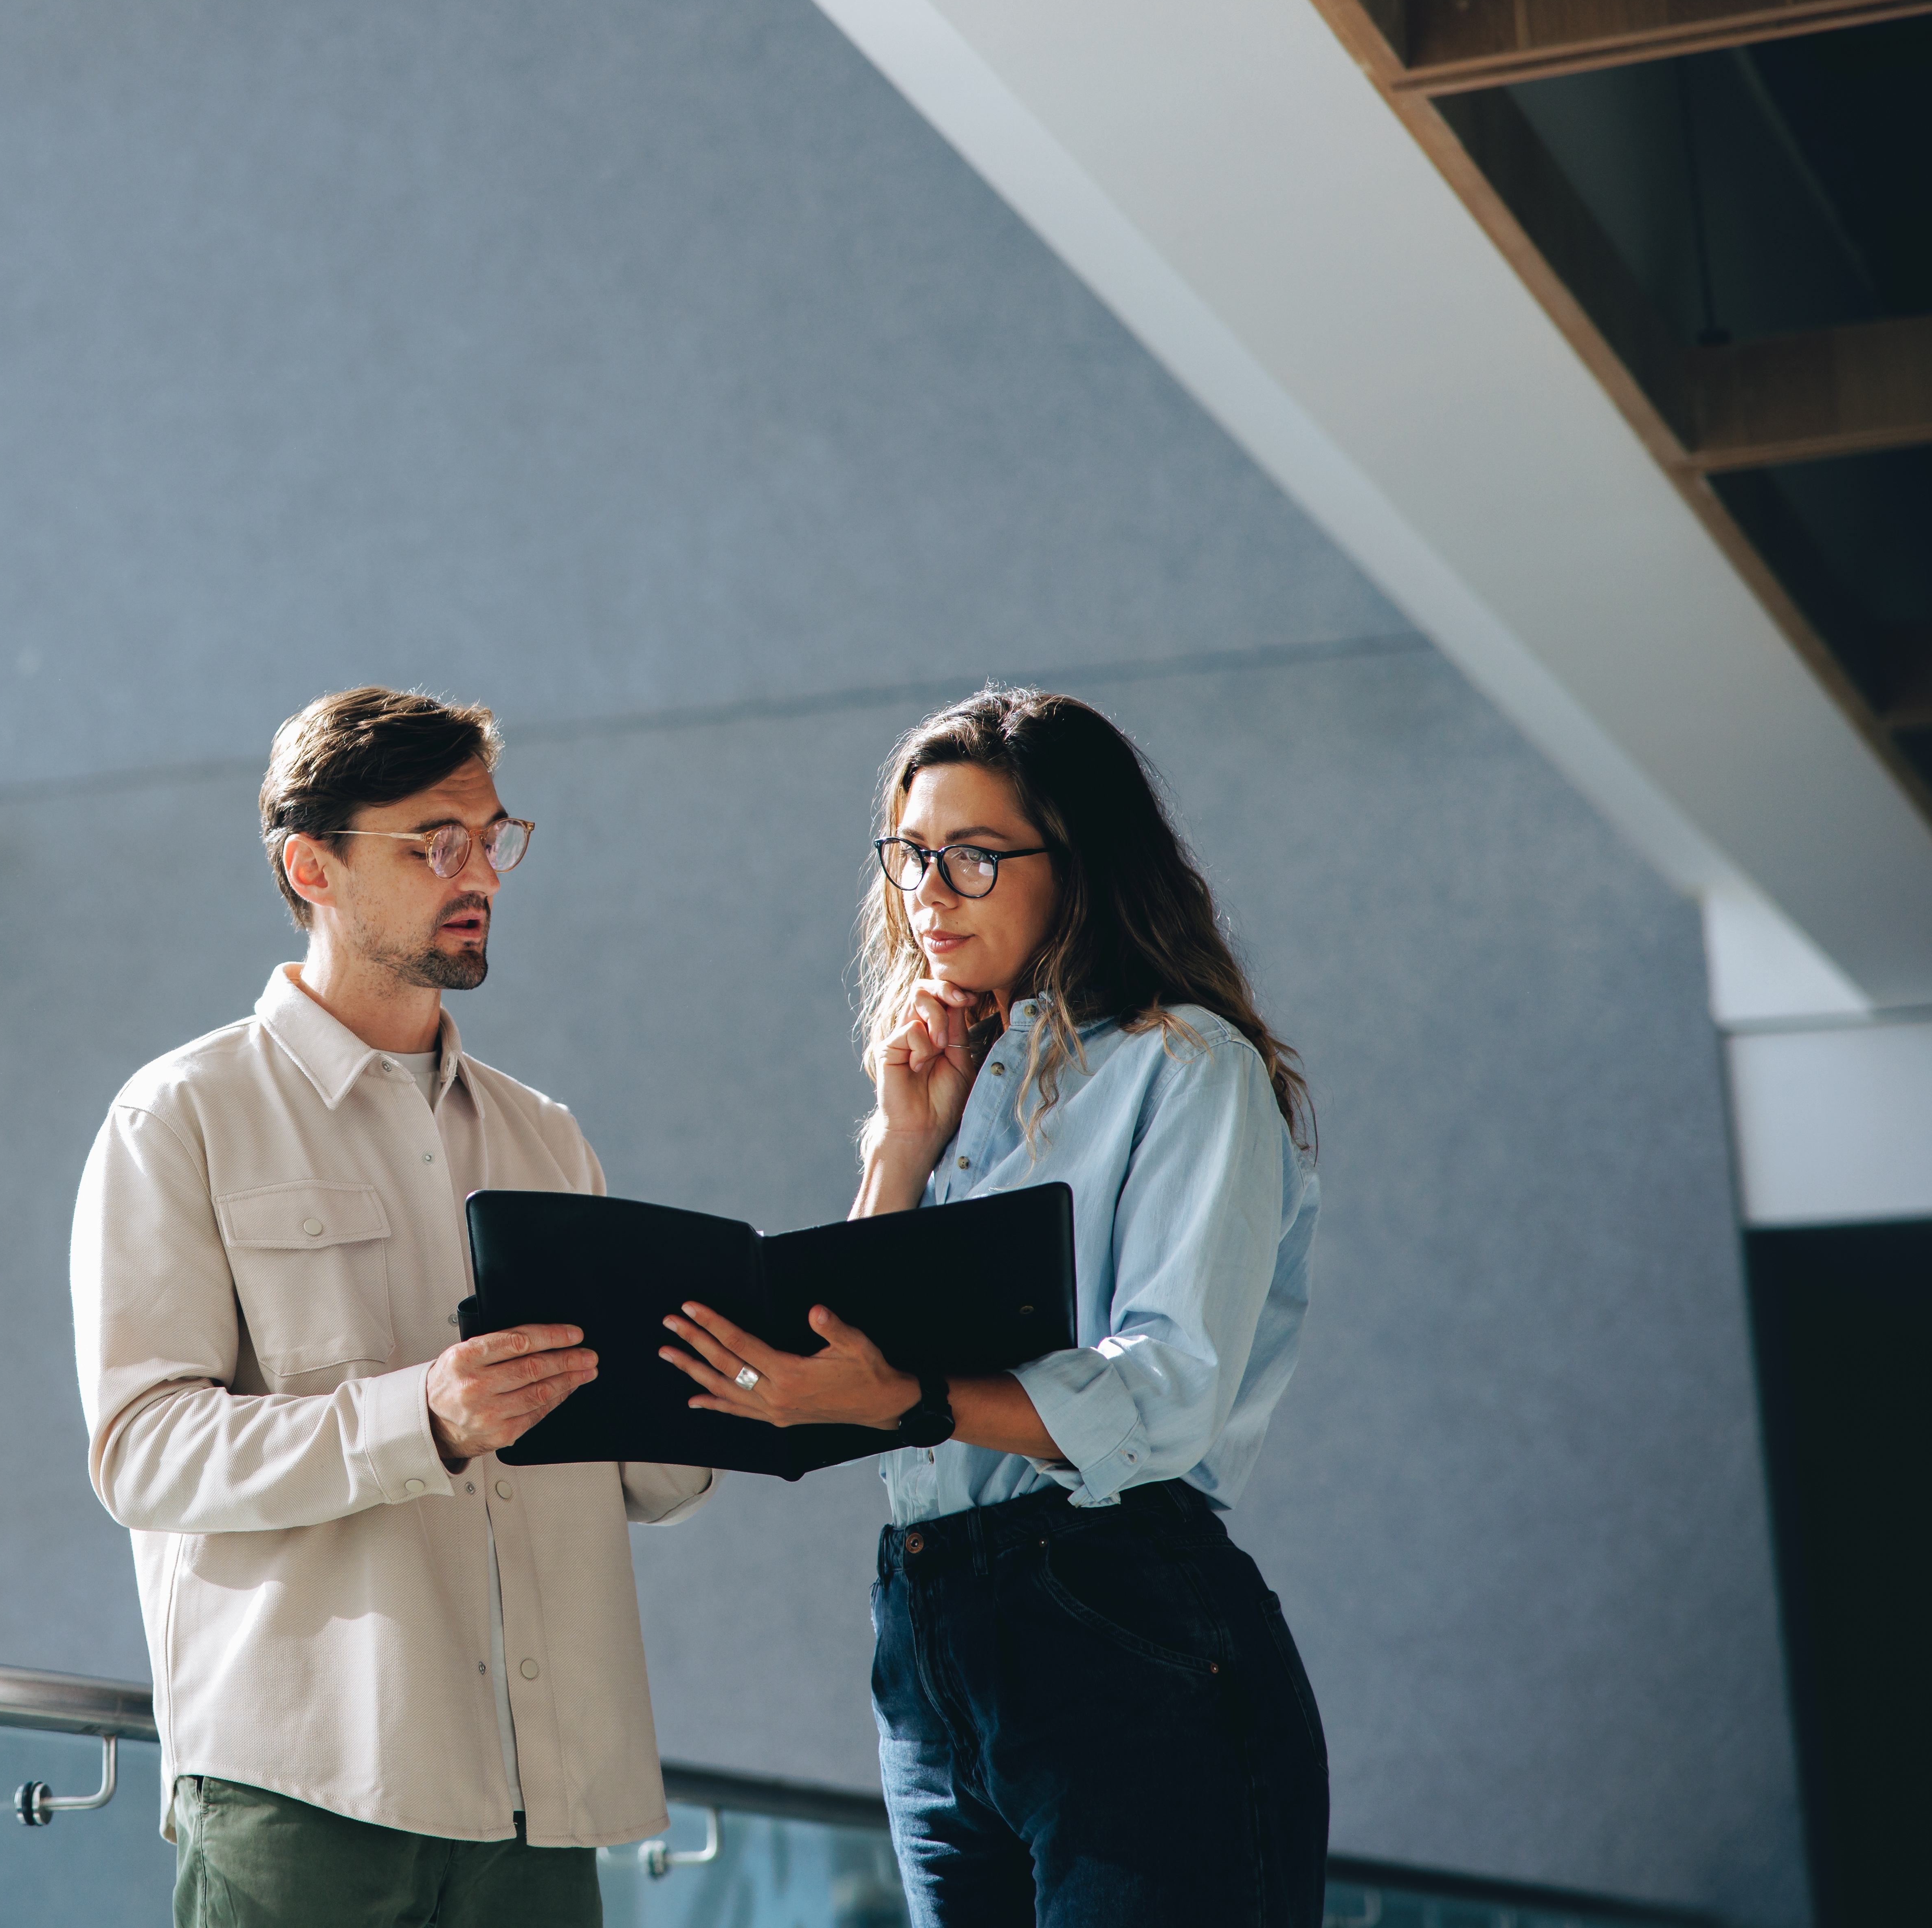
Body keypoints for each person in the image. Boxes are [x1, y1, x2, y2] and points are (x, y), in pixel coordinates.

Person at [656, 687, 1328, 1927]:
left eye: (972, 857)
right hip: (930, 1632)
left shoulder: (1187, 1067)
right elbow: (850, 1362)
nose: (929, 894)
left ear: (1081, 867)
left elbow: (1169, 1392)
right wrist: (902, 1145)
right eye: (911, 857)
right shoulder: (961, 1085)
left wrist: (913, 1404)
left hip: (1119, 1613)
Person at [73, 686, 713, 1928]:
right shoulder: (181, 1116)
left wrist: (724, 1394)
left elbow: (646, 1478)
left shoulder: (547, 1135)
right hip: (303, 1788)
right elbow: (140, 1454)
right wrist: (417, 1415)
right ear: (311, 865)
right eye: (434, 842)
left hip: (540, 1794)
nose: (478, 872)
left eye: (491, 837)